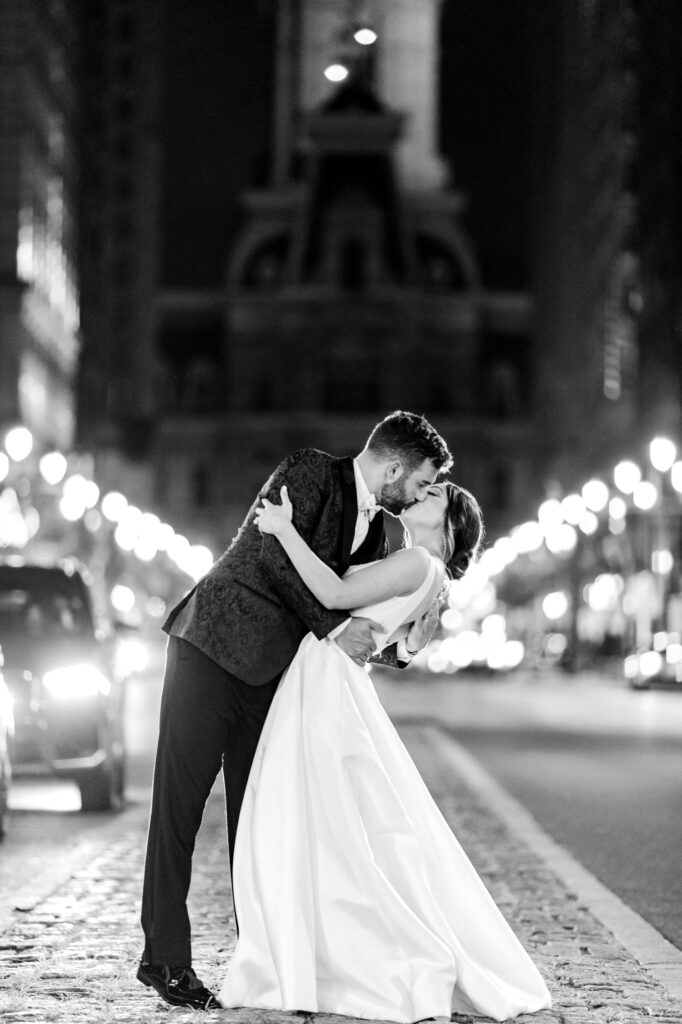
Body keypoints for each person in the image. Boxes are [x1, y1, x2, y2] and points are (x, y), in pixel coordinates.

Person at [137, 411, 453, 1010]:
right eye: (418, 482)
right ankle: (165, 959)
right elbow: (274, 559)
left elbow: (363, 615)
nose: (417, 494)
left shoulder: (382, 534)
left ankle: (260, 962)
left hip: (273, 679)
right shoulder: (309, 470)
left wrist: (401, 643)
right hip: (210, 647)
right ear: (393, 467)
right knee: (177, 808)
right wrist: (336, 627)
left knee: (256, 823)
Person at [219, 481, 552, 1022]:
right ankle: (315, 951)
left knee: (314, 818)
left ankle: (332, 955)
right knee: (328, 822)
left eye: (437, 493)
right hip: (328, 677)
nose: (424, 492)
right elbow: (387, 638)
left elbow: (330, 594)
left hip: (325, 682)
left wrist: (282, 530)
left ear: (449, 524)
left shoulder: (420, 563)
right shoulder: (423, 571)